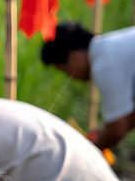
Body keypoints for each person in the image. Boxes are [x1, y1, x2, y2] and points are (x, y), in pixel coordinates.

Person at [41, 22, 135, 151]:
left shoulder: (104, 65)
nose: (70, 77)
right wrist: (101, 134)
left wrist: (86, 151)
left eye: (65, 70)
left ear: (73, 58)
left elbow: (116, 131)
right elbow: (126, 119)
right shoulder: (110, 46)